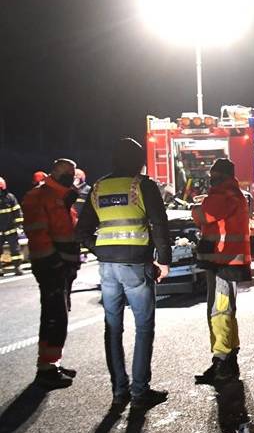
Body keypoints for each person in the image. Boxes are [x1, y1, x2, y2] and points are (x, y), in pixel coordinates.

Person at [75, 138, 172, 409]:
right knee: (143, 328)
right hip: (136, 264)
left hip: (107, 267)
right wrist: (164, 260)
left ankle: (119, 391)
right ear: (138, 161)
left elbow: (81, 231)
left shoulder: (98, 187)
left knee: (112, 328)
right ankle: (140, 392)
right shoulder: (143, 185)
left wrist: (101, 250)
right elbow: (158, 223)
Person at [21, 159, 81, 389]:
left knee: (56, 314)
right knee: (55, 316)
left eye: (71, 173)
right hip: (50, 265)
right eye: (66, 172)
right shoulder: (41, 196)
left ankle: (51, 363)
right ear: (54, 171)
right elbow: (38, 233)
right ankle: (46, 368)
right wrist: (54, 262)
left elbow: (67, 230)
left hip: (61, 264)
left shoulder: (63, 197)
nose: (69, 175)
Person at [192, 158, 251, 385]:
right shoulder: (232, 194)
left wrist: (195, 208)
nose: (211, 178)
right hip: (226, 261)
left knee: (220, 312)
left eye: (214, 175)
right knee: (225, 311)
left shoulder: (223, 195)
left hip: (223, 262)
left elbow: (203, 216)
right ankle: (227, 359)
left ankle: (222, 362)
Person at [0, 177, 24, 276]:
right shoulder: (10, 197)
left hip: (11, 229)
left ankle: (17, 267)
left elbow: (17, 212)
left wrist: (18, 225)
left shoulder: (10, 197)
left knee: (15, 250)